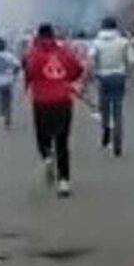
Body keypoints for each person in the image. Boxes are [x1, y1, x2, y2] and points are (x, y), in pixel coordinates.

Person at [25, 24, 85, 197]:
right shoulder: (65, 52)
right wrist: (65, 79)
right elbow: (77, 70)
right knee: (62, 141)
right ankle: (64, 181)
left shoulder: (34, 54)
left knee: (42, 135)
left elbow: (29, 73)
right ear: (53, 35)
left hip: (41, 101)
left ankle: (46, 156)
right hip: (63, 100)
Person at [90, 17, 134, 156]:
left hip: (103, 77)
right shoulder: (123, 42)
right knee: (118, 109)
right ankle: (118, 142)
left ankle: (106, 130)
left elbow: (91, 59)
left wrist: (92, 74)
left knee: (104, 109)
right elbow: (132, 59)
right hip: (119, 77)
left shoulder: (97, 42)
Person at [0, 38, 21, 128]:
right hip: (8, 82)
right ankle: (7, 121)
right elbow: (18, 65)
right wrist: (14, 75)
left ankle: (2, 113)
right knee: (8, 103)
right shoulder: (10, 56)